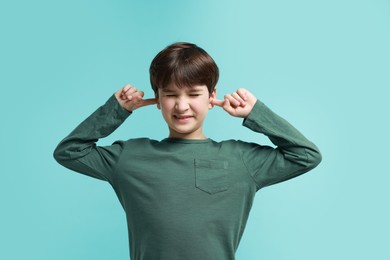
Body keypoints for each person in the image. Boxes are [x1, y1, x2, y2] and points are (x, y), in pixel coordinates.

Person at [53, 42, 322, 260]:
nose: (181, 106)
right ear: (157, 99)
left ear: (211, 97)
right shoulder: (129, 157)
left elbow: (306, 155)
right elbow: (69, 151)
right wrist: (116, 110)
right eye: (170, 94)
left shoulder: (240, 160)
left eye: (193, 94)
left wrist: (255, 113)